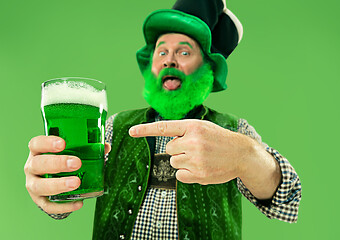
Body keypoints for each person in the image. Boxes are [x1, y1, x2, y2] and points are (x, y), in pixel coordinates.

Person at [24, 0, 302, 239]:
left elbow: (286, 200)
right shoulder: (112, 127)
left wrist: (248, 155)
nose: (170, 60)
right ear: (152, 66)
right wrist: (49, 186)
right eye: (161, 51)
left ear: (206, 68)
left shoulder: (234, 131)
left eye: (184, 51)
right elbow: (71, 188)